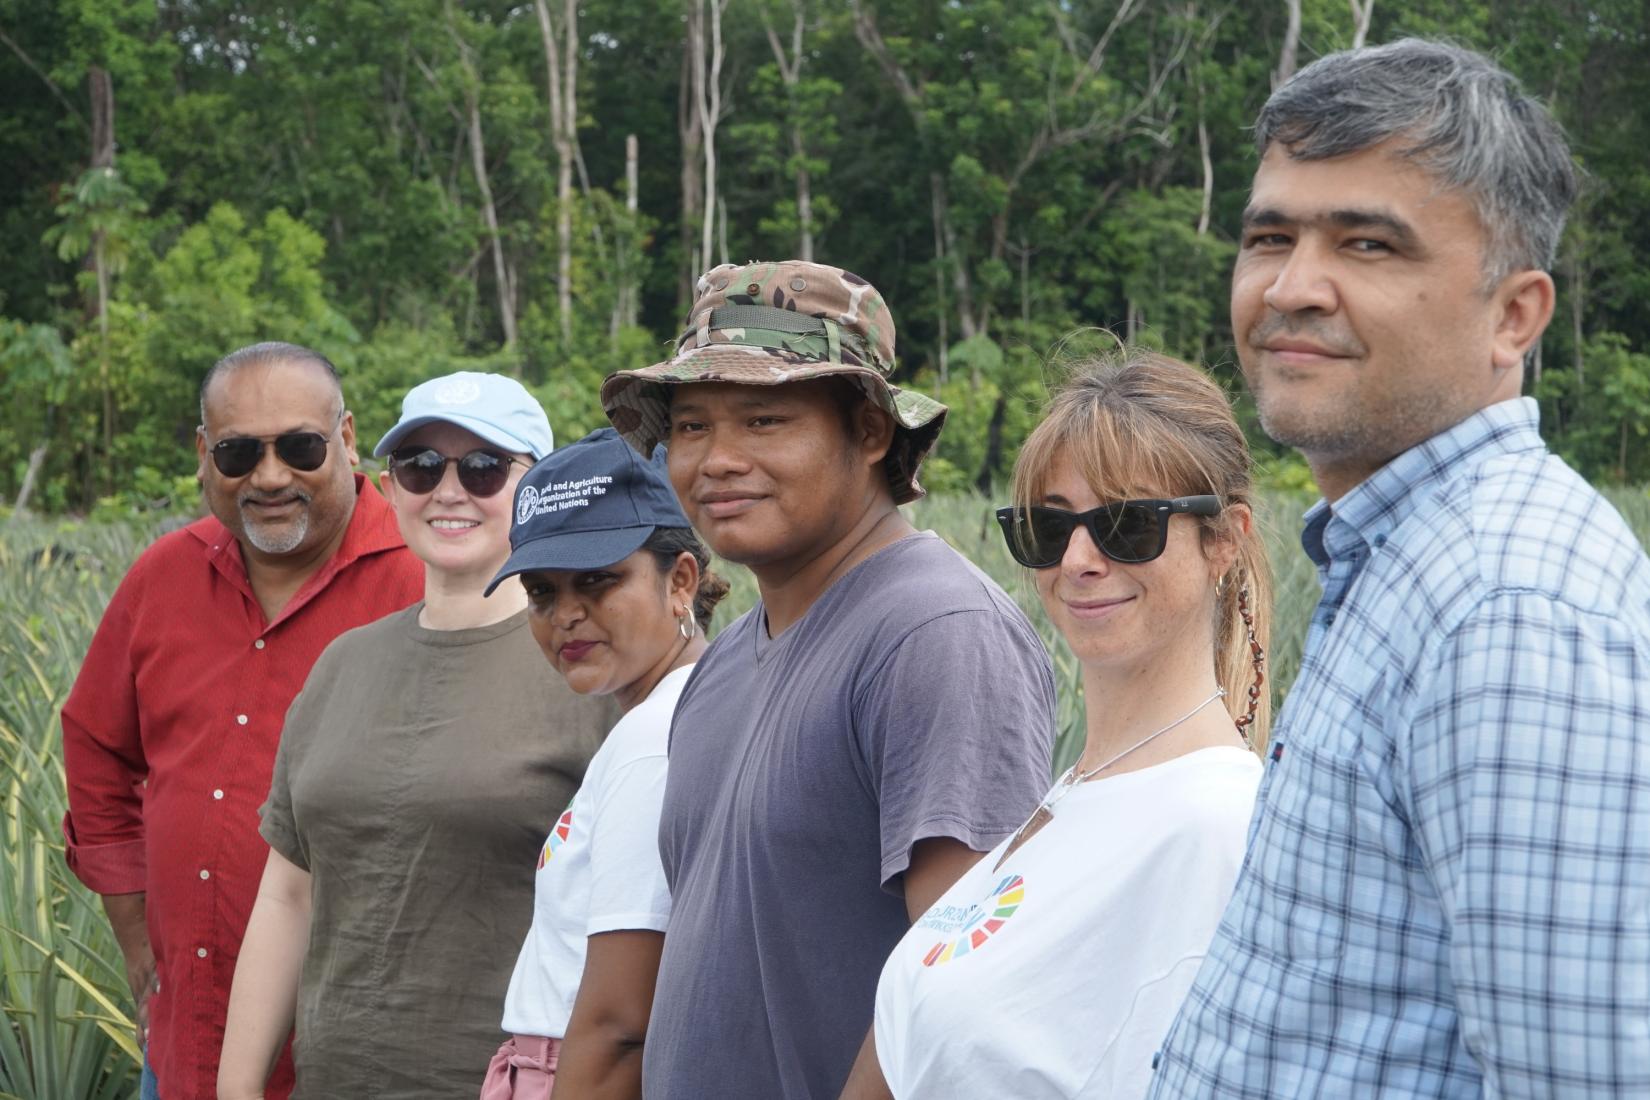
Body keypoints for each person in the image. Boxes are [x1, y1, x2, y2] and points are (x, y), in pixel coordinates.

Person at [1147, 39, 1650, 1097]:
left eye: (1368, 244)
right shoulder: (1400, 555)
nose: (1291, 287)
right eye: (1269, 236)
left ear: (1514, 314)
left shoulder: (1509, 607)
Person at [600, 259, 1058, 1098]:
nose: (717, 460)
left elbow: (963, 989)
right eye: (692, 426)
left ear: (871, 432)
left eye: (765, 419)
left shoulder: (932, 633)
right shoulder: (726, 662)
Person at [865, 349, 1271, 1098]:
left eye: (1126, 523)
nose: (1079, 559)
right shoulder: (1072, 795)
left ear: (1225, 539)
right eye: (1049, 527)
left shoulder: (1217, 825)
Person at [216, 372, 611, 1100]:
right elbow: (289, 896)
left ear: (541, 488)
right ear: (390, 488)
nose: (449, 490)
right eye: (421, 466)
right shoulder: (344, 664)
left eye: (485, 467)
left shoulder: (589, 669)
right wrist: (236, 1090)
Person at [61, 342, 425, 1100]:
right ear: (203, 454)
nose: (268, 477)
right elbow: (97, 747)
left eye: (299, 447)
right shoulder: (161, 577)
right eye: (237, 453)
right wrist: (135, 937)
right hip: (184, 1043)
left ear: (348, 439)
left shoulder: (422, 582)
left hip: (358, 1060)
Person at [478, 426, 727, 1099]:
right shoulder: (696, 707)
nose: (567, 615)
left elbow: (620, 1020)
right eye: (542, 593)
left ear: (681, 580)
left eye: (598, 580)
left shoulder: (654, 739)